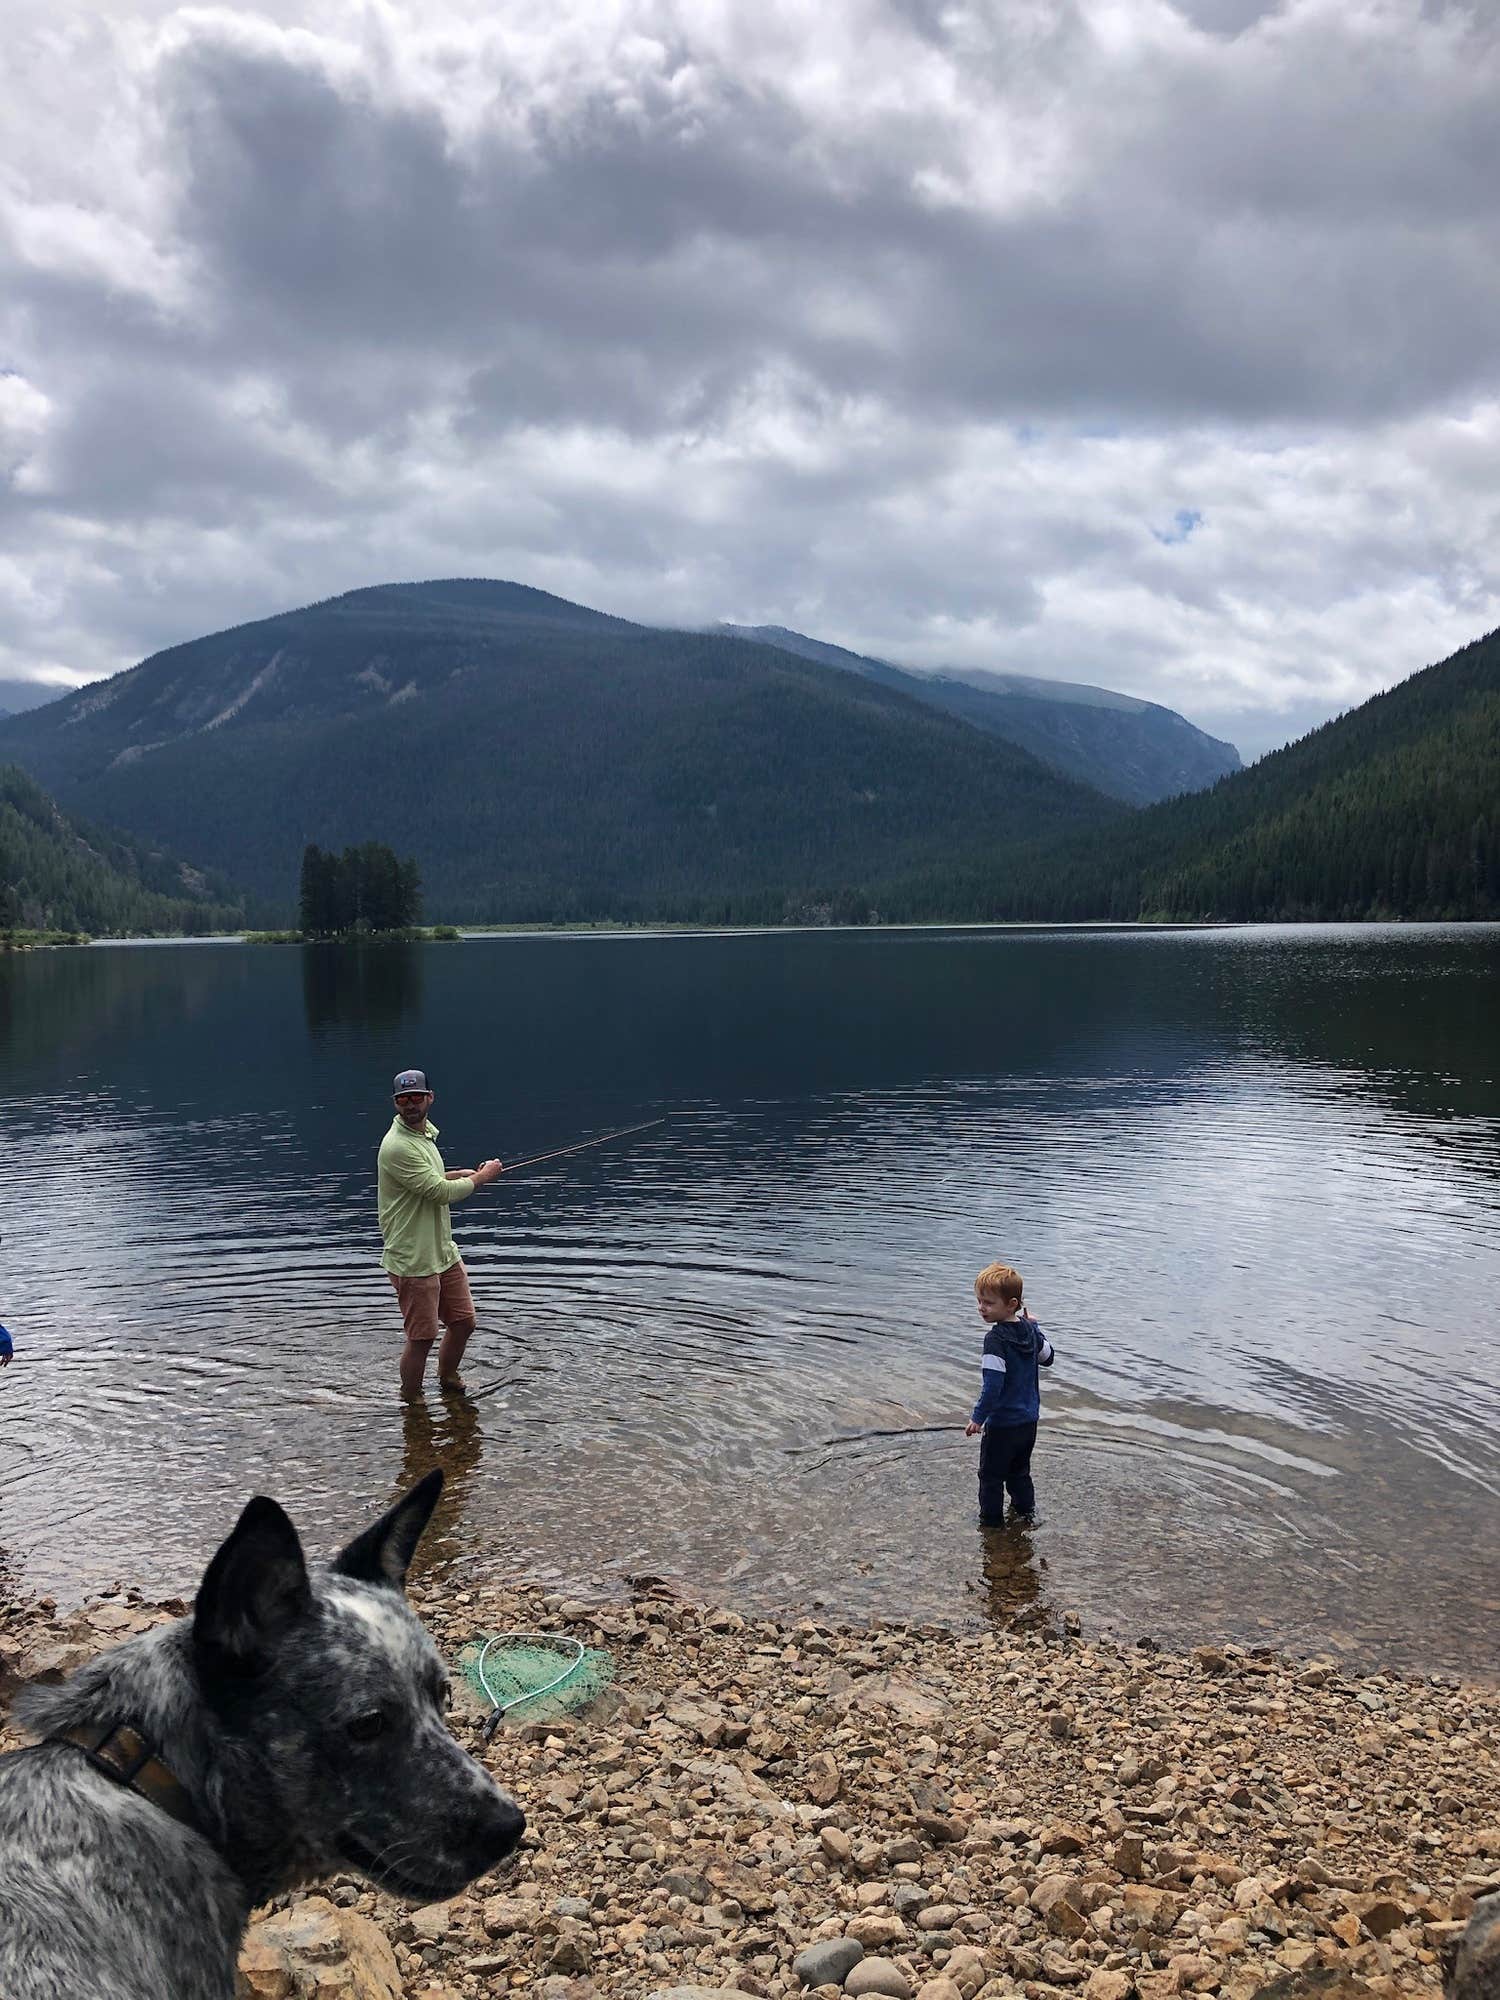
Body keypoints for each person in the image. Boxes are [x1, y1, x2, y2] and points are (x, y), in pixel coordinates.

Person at [378, 1067, 503, 1396]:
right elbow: (438, 1193)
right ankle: (412, 1403)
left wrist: (455, 1174)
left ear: (429, 1098)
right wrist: (481, 1177)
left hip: (441, 1250)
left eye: (416, 1097)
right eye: (403, 1099)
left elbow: (430, 1182)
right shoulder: (397, 1146)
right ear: (395, 1104)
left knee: (463, 1322)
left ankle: (448, 1380)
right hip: (413, 1257)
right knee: (421, 1338)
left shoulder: (423, 1137)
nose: (410, 1104)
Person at [964, 1261, 1054, 1528]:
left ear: (1011, 1304)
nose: (981, 1308)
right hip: (1029, 1422)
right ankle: (1026, 1515)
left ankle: (990, 1524)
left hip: (1003, 1424)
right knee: (1019, 1473)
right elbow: (1048, 1358)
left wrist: (978, 1418)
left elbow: (993, 1385)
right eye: (979, 1301)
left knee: (990, 1476)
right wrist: (1035, 1328)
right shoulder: (1029, 1330)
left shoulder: (995, 1340)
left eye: (989, 1303)